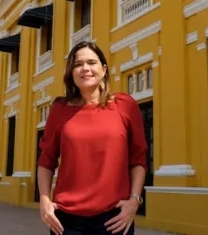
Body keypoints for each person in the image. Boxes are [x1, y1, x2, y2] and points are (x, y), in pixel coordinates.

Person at [37, 41, 148, 235]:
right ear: (71, 73)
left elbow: (138, 158)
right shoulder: (60, 110)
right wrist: (44, 201)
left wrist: (135, 200)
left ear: (104, 69)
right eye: (78, 64)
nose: (85, 68)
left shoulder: (125, 105)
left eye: (91, 62)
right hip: (67, 221)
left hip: (114, 219)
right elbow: (46, 161)